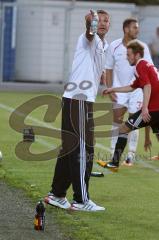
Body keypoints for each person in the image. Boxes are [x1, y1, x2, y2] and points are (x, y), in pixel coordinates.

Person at [44, 10, 110, 211]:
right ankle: (81, 200)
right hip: (78, 99)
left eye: (106, 20)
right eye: (99, 20)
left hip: (79, 100)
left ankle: (57, 194)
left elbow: (97, 68)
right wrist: (90, 23)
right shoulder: (88, 38)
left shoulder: (103, 45)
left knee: (70, 148)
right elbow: (90, 33)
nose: (103, 23)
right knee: (83, 148)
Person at [97, 18, 153, 167]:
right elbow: (109, 69)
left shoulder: (142, 48)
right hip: (122, 88)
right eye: (135, 27)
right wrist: (111, 89)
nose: (137, 30)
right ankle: (113, 157)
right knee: (118, 121)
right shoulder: (114, 46)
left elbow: (149, 74)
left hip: (138, 91)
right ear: (126, 29)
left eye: (137, 28)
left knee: (133, 122)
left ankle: (130, 156)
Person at [102, 40, 159, 171]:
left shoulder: (140, 65)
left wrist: (145, 108)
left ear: (137, 55)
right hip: (157, 108)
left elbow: (148, 86)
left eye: (129, 54)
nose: (127, 58)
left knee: (122, 129)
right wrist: (113, 89)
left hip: (154, 109)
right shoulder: (146, 65)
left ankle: (114, 163)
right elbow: (133, 87)